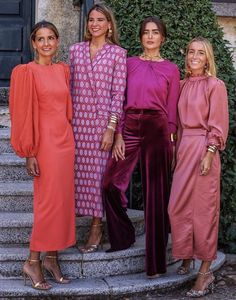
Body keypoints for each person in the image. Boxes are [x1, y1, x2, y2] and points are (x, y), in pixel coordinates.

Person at [103, 16, 180, 278]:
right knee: (109, 184)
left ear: (163, 38)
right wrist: (119, 134)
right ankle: (123, 237)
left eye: (155, 32)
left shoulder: (171, 69)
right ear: (140, 37)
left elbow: (171, 111)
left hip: (158, 128)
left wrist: (171, 141)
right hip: (130, 126)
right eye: (145, 32)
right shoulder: (129, 64)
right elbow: (120, 98)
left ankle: (156, 264)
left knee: (156, 196)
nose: (149, 36)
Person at [9, 21, 76, 290]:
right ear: (33, 43)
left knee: (61, 202)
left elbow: (67, 109)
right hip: (44, 144)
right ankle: (32, 261)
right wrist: (29, 152)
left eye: (51, 38)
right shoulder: (26, 72)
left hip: (65, 142)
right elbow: (22, 115)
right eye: (41, 39)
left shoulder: (63, 71)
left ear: (57, 42)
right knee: (47, 204)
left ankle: (52, 258)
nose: (46, 43)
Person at [168, 37, 229, 297]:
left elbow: (218, 122)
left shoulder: (215, 86)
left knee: (204, 210)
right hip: (184, 148)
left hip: (205, 147)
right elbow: (177, 125)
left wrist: (210, 152)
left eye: (200, 53)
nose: (194, 56)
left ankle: (205, 272)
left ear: (207, 59)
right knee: (177, 206)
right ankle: (185, 255)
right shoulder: (181, 85)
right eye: (191, 51)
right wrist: (174, 153)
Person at [69, 4, 127, 253]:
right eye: (91, 19)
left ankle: (96, 226)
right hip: (76, 123)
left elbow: (118, 94)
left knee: (97, 177)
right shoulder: (75, 51)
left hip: (102, 124)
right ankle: (67, 227)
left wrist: (111, 129)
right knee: (75, 174)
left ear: (109, 25)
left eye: (100, 19)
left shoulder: (118, 54)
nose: (94, 24)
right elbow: (68, 88)